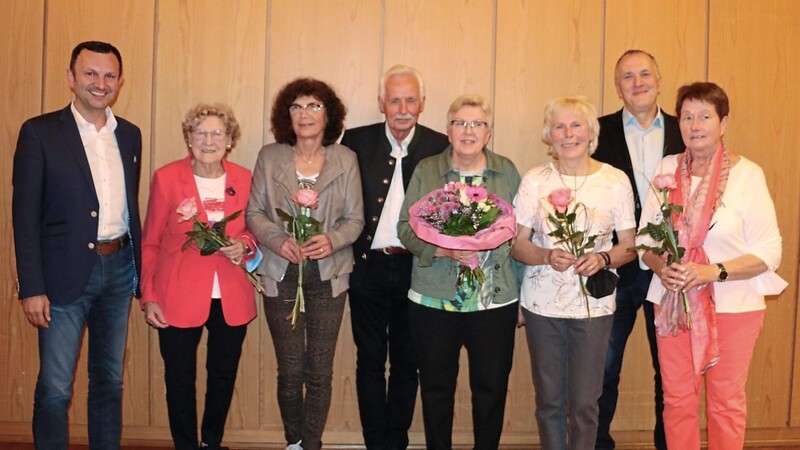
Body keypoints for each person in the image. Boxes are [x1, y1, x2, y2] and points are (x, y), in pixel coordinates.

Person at [639, 82, 784, 450]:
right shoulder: (666, 168)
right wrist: (662, 267)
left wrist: (713, 271)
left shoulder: (748, 174)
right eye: (687, 116)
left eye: (705, 115)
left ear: (723, 123)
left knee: (725, 404)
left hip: (733, 305)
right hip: (673, 303)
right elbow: (646, 242)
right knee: (677, 400)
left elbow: (770, 252)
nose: (695, 124)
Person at [11, 41, 142, 449]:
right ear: (71, 78)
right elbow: (24, 215)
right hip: (62, 275)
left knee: (109, 381)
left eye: (108, 76)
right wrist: (32, 286)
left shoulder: (131, 135)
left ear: (119, 82)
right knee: (55, 388)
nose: (99, 84)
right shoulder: (39, 132)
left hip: (119, 269)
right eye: (90, 73)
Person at [511, 96, 637, 450]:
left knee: (584, 403)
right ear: (548, 135)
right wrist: (546, 255)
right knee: (549, 402)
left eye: (576, 125)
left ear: (591, 132)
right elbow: (517, 244)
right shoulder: (535, 180)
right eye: (559, 126)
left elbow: (631, 244)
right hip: (542, 305)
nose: (568, 134)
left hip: (593, 307)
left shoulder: (615, 180)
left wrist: (604, 259)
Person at [397, 94, 520, 450]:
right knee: (436, 389)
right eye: (460, 123)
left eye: (477, 123)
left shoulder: (506, 171)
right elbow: (405, 228)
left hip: (494, 302)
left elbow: (522, 233)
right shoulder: (427, 170)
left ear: (489, 131)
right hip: (434, 300)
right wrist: (443, 248)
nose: (468, 131)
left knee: (492, 388)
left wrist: (523, 298)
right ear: (448, 130)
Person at [246, 78, 364, 450]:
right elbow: (254, 212)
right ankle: (293, 441)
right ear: (287, 115)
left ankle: (311, 443)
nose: (305, 114)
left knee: (320, 369)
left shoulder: (346, 159)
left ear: (329, 114)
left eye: (314, 106)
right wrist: (280, 241)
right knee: (290, 368)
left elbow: (355, 220)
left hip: (329, 274)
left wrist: (331, 239)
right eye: (296, 106)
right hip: (281, 273)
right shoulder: (270, 156)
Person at [340, 64, 449, 450]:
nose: (402, 108)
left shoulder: (439, 145)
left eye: (410, 100)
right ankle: (375, 443)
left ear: (422, 104)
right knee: (369, 362)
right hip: (367, 268)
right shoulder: (355, 141)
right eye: (394, 100)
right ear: (381, 104)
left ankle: (396, 441)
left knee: (408, 362)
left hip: (418, 269)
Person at [140, 103, 258, 450]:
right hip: (176, 294)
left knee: (222, 376)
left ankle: (212, 441)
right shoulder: (166, 177)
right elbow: (150, 242)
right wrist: (149, 296)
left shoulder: (244, 178)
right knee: (179, 379)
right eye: (200, 132)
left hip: (231, 295)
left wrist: (244, 246)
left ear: (230, 139)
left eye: (217, 133)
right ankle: (185, 444)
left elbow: (254, 231)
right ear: (188, 138)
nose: (209, 140)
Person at [592, 49, 685, 450]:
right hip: (618, 268)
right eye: (627, 76)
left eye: (645, 73)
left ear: (659, 79)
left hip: (672, 271)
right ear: (618, 87)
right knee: (603, 368)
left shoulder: (688, 130)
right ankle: (597, 444)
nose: (638, 82)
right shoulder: (597, 131)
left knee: (670, 371)